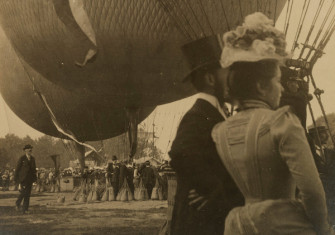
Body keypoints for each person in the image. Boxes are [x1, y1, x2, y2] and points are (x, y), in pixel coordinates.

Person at [212, 12, 333, 234]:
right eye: (277, 81)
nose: (281, 88)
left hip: (240, 226)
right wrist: (322, 229)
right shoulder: (282, 123)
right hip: (284, 225)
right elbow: (313, 193)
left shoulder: (220, 132)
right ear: (260, 85)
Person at [169, 34, 244, 234]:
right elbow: (180, 152)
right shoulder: (199, 114)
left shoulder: (212, 112)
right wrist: (212, 188)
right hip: (198, 222)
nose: (230, 80)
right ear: (211, 78)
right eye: (226, 74)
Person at [309, 125, 335, 225]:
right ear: (315, 136)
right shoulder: (310, 154)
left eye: (325, 133)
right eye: (322, 133)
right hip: (320, 187)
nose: (326, 136)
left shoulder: (331, 152)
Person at [14, 144, 37, 214]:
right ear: (25, 150)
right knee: (23, 193)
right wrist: (16, 180)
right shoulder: (22, 158)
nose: (30, 150)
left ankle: (25, 209)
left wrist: (35, 180)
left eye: (31, 149)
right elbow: (17, 169)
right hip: (23, 179)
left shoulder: (33, 159)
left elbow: (34, 170)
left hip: (30, 179)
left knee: (28, 194)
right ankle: (17, 203)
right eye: (28, 149)